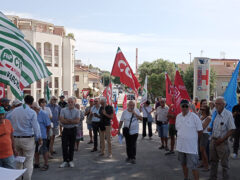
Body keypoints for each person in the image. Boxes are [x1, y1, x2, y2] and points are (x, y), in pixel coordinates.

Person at [11, 95, 42, 180]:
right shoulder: (32, 112)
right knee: (28, 162)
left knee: (18, 161)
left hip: (16, 138)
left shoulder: (14, 111)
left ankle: (18, 178)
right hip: (28, 139)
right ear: (32, 103)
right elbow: (35, 127)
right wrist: (39, 138)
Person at [209, 97, 235, 180]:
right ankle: (213, 178)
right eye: (216, 103)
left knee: (225, 165)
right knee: (213, 162)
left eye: (219, 103)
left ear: (224, 105)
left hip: (222, 143)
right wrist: (211, 128)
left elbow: (232, 129)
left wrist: (222, 139)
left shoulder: (228, 114)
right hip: (213, 141)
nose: (216, 105)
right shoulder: (215, 113)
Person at [176, 99, 203, 180]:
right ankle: (186, 178)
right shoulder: (178, 116)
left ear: (189, 106)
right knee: (183, 164)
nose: (184, 108)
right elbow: (178, 129)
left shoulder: (194, 117)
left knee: (194, 167)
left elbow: (200, 131)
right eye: (183, 106)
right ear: (180, 107)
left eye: (186, 106)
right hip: (181, 147)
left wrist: (193, 140)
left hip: (191, 148)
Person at [59, 97, 80, 168]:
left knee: (71, 146)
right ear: (67, 102)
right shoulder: (63, 110)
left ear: (74, 102)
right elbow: (62, 120)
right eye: (69, 102)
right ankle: (65, 161)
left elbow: (77, 121)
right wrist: (71, 121)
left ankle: (70, 160)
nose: (70, 103)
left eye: (72, 102)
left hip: (73, 129)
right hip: (65, 129)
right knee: (64, 145)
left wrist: (67, 120)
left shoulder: (77, 111)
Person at [32, 102, 51, 171]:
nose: (31, 109)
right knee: (36, 150)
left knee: (44, 150)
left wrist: (45, 133)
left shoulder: (44, 114)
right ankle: (37, 163)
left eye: (32, 108)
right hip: (34, 136)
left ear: (36, 108)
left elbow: (48, 126)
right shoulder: (32, 114)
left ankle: (46, 164)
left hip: (42, 136)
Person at [198, 106, 211, 171]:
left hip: (205, 135)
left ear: (207, 110)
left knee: (203, 150)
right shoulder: (200, 116)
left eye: (203, 109)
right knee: (201, 150)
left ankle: (207, 166)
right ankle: (203, 163)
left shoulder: (208, 117)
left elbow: (203, 127)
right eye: (201, 109)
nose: (201, 110)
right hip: (200, 134)